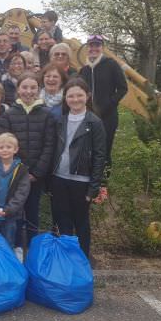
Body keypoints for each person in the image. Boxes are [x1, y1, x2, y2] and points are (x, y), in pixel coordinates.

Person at [0, 73, 56, 250]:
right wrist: (19, 171)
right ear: (18, 90)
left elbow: (49, 145)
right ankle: (14, 248)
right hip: (15, 174)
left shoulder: (47, 114)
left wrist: (36, 172)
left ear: (38, 90)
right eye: (24, 87)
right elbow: (4, 143)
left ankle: (32, 249)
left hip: (36, 175)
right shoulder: (9, 115)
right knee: (14, 212)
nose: (28, 91)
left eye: (32, 88)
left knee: (32, 212)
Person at [51, 77, 106, 257]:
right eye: (71, 96)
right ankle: (67, 259)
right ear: (65, 98)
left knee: (81, 222)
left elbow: (99, 156)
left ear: (87, 96)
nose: (75, 99)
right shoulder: (61, 120)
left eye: (79, 95)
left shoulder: (94, 123)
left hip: (81, 181)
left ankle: (82, 258)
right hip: (59, 179)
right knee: (62, 220)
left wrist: (93, 188)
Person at [79, 35, 128, 168]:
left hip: (107, 117)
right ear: (87, 48)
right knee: (88, 149)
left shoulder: (111, 64)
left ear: (102, 48)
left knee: (104, 151)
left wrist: (109, 104)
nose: (94, 48)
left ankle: (103, 184)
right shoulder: (84, 70)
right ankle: (89, 180)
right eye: (91, 45)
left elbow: (123, 88)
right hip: (87, 116)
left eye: (97, 45)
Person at [0, 132, 31, 252]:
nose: (5, 150)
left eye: (9, 147)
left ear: (16, 149)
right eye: (1, 147)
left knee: (8, 244)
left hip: (10, 215)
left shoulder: (21, 170)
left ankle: (7, 268)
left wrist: (9, 209)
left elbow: (22, 193)